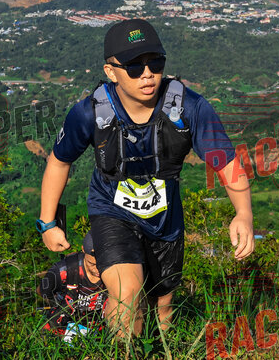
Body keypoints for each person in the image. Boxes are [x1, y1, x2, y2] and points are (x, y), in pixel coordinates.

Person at [37, 19, 254, 338]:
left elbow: (226, 161)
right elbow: (59, 161)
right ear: (111, 72)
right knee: (127, 295)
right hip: (111, 211)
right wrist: (47, 223)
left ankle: (161, 349)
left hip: (165, 219)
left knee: (162, 306)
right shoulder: (90, 113)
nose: (148, 73)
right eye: (134, 66)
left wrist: (244, 213)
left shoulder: (188, 108)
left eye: (156, 63)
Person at [38, 231, 107, 342]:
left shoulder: (115, 270)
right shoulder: (64, 270)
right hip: (58, 330)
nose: (97, 270)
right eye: (92, 264)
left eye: (102, 265)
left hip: (98, 334)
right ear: (83, 250)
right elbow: (42, 292)